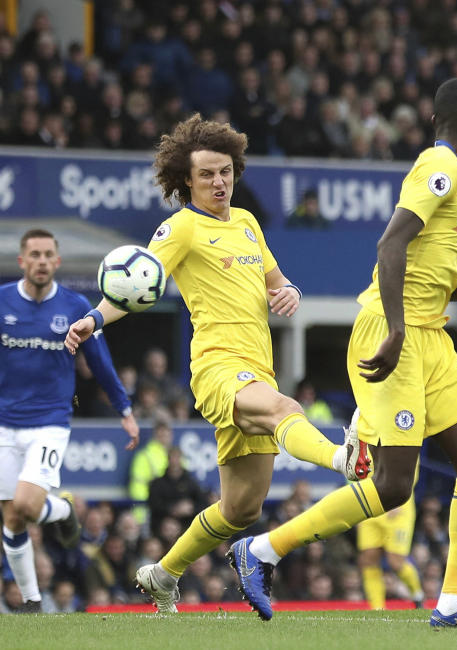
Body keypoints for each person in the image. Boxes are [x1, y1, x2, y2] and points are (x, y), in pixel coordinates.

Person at [227, 78, 457, 629]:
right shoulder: (443, 168)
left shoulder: (455, 176)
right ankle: (262, 551)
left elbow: (437, 277)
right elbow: (390, 244)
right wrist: (397, 329)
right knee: (391, 484)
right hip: (397, 332)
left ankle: (454, 603)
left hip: (431, 335)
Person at [63, 114, 371, 613]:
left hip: (257, 368)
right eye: (206, 174)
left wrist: (287, 292)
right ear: (187, 179)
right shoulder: (181, 227)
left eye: (225, 171)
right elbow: (138, 281)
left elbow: (277, 281)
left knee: (240, 509)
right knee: (283, 408)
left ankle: (163, 574)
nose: (218, 182)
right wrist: (93, 320)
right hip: (216, 366)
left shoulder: (248, 223)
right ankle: (343, 458)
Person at [1, 229, 138, 614]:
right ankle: (30, 601)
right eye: (35, 254)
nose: (42, 261)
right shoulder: (2, 302)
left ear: (57, 262)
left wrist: (125, 411)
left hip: (49, 421)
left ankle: (62, 511)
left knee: (26, 506)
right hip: (3, 424)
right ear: (22, 261)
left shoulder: (76, 305)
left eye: (48, 255)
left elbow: (101, 364)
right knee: (11, 519)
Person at [348, 410, 424, 610]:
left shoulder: (403, 438)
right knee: (368, 557)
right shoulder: (362, 437)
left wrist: (397, 501)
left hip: (397, 506)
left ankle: (417, 595)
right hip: (368, 504)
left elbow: (409, 475)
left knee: (395, 562)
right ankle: (377, 608)